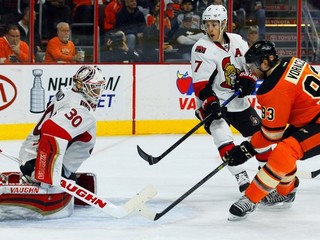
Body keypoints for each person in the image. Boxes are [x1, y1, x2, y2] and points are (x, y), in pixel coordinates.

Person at [226, 40, 320, 220]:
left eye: (253, 65)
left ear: (266, 61)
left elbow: (271, 135)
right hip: (311, 116)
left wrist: (247, 148)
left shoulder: (273, 89)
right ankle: (286, 192)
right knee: (284, 151)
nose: (251, 70)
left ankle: (250, 198)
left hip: (314, 120)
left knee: (286, 150)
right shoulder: (292, 61)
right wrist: (249, 148)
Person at [191, 5, 272, 192]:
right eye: (207, 24)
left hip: (237, 101)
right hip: (212, 103)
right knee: (223, 138)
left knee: (261, 138)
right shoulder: (201, 48)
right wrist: (211, 104)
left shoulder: (238, 41)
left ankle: (266, 176)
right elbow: (200, 86)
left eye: (214, 24)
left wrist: (249, 80)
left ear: (224, 24)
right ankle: (242, 179)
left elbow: (252, 67)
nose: (210, 29)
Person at [10, 65, 106, 219]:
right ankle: (52, 173)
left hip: (31, 153)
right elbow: (51, 130)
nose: (98, 92)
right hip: (36, 161)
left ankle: (62, 172)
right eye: (94, 88)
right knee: (88, 132)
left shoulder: (69, 92)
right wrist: (46, 174)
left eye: (99, 88)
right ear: (82, 86)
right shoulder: (81, 110)